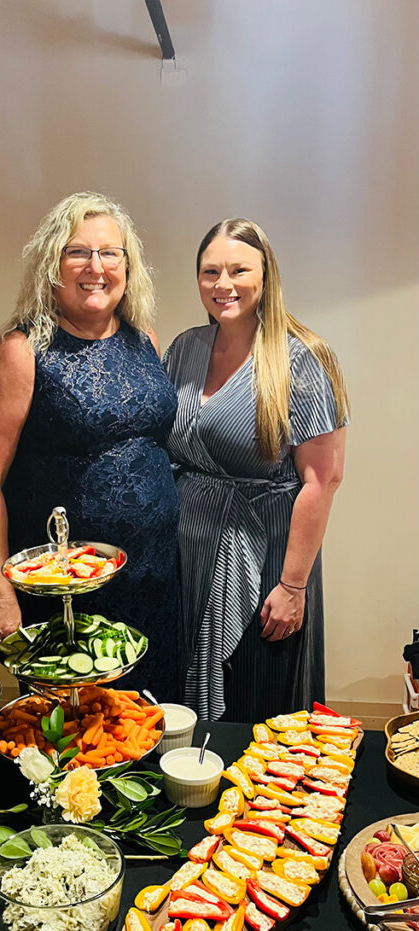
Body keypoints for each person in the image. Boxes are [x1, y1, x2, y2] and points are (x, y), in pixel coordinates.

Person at [0, 192, 180, 698]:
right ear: (51, 264)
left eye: (110, 253)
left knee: (146, 717)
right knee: (69, 732)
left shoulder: (143, 338)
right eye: (77, 251)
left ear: (128, 265)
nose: (96, 266)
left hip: (154, 574)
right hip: (67, 584)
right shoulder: (20, 352)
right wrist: (0, 591)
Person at [163, 218, 348, 722]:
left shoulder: (302, 357)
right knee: (182, 709)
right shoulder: (184, 349)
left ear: (266, 276)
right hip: (190, 552)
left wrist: (292, 586)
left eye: (239, 270)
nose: (223, 284)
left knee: (257, 708)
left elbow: (323, 479)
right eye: (210, 272)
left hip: (266, 557)